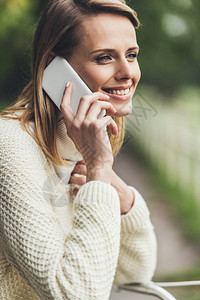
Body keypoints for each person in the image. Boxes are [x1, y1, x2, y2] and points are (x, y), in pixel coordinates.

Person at [0, 0, 157, 299]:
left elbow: (135, 273)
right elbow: (75, 294)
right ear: (57, 68)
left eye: (132, 55)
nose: (127, 72)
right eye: (104, 58)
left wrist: (120, 195)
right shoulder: (9, 144)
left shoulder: (84, 145)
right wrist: (99, 169)